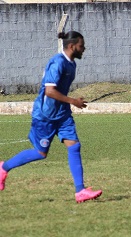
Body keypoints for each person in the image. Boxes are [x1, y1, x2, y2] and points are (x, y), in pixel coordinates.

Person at [0, 31, 102, 203]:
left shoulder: (72, 64)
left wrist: (68, 104)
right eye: (81, 46)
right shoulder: (57, 63)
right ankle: (3, 168)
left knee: (74, 146)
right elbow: (49, 91)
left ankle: (80, 191)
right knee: (40, 153)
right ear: (72, 46)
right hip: (45, 116)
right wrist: (73, 101)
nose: (84, 49)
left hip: (62, 115)